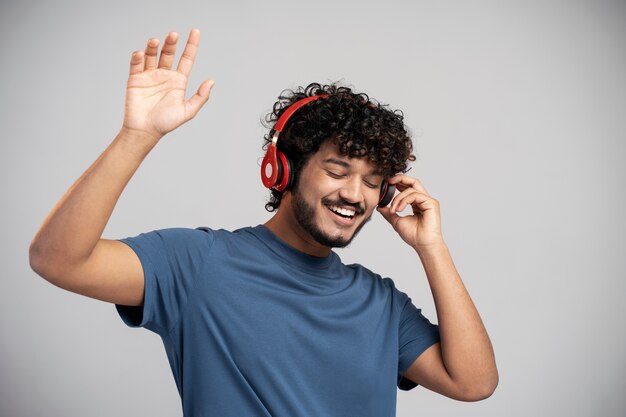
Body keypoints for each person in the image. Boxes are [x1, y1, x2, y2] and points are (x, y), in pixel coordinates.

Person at [29, 28, 498, 416]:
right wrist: (136, 137)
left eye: (373, 182)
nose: (355, 195)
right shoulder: (196, 264)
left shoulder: (381, 303)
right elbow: (58, 260)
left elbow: (473, 383)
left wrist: (431, 247)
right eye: (336, 171)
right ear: (284, 170)